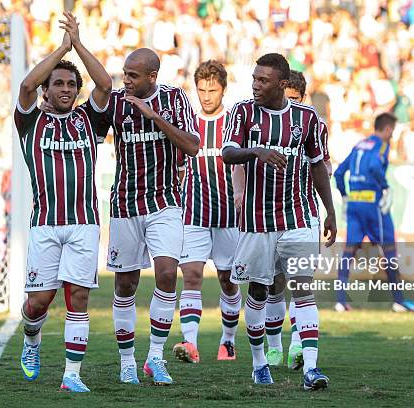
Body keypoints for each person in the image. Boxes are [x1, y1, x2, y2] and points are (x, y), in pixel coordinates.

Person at [222, 53, 337, 390]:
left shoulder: (307, 118)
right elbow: (227, 153)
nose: (256, 85)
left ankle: (311, 369)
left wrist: (329, 209)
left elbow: (317, 164)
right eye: (255, 79)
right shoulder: (243, 111)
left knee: (303, 289)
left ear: (282, 85)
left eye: (263, 80)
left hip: (299, 217)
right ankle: (260, 363)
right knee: (259, 290)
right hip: (257, 221)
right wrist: (256, 152)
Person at [14, 12, 112, 393]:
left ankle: (72, 375)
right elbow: (25, 84)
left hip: (84, 223)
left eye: (72, 84)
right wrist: (60, 49)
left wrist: (79, 45)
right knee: (38, 302)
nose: (67, 89)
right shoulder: (30, 122)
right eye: (59, 83)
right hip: (45, 223)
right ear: (46, 90)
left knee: (79, 297)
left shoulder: (89, 119)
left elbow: (103, 83)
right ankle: (32, 339)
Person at [98, 48, 199, 385]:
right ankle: (127, 361)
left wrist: (153, 116)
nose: (126, 80)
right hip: (125, 205)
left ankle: (155, 357)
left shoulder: (174, 99)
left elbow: (192, 146)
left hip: (165, 202)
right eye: (124, 73)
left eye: (133, 75)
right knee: (125, 284)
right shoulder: (115, 101)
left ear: (152, 77)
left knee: (168, 274)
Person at [173, 60, 244, 364]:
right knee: (191, 275)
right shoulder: (188, 124)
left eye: (212, 90)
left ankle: (227, 342)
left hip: (230, 216)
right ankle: (190, 344)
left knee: (228, 280)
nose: (205, 96)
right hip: (194, 214)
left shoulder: (234, 122)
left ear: (223, 90)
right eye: (201, 90)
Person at [264, 70, 332, 370]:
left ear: (301, 98)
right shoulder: (264, 121)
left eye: (291, 98)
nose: (285, 104)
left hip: (303, 216)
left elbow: (324, 163)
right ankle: (275, 346)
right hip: (267, 217)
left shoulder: (312, 124)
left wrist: (323, 175)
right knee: (273, 285)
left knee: (301, 285)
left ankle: (297, 348)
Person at [334, 112, 414, 313]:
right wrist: (385, 187)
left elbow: (339, 173)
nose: (392, 135)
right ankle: (399, 301)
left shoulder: (359, 145)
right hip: (373, 205)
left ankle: (340, 301)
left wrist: (345, 196)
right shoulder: (382, 145)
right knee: (389, 250)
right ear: (388, 129)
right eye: (392, 131)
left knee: (349, 252)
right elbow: (375, 166)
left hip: (355, 205)